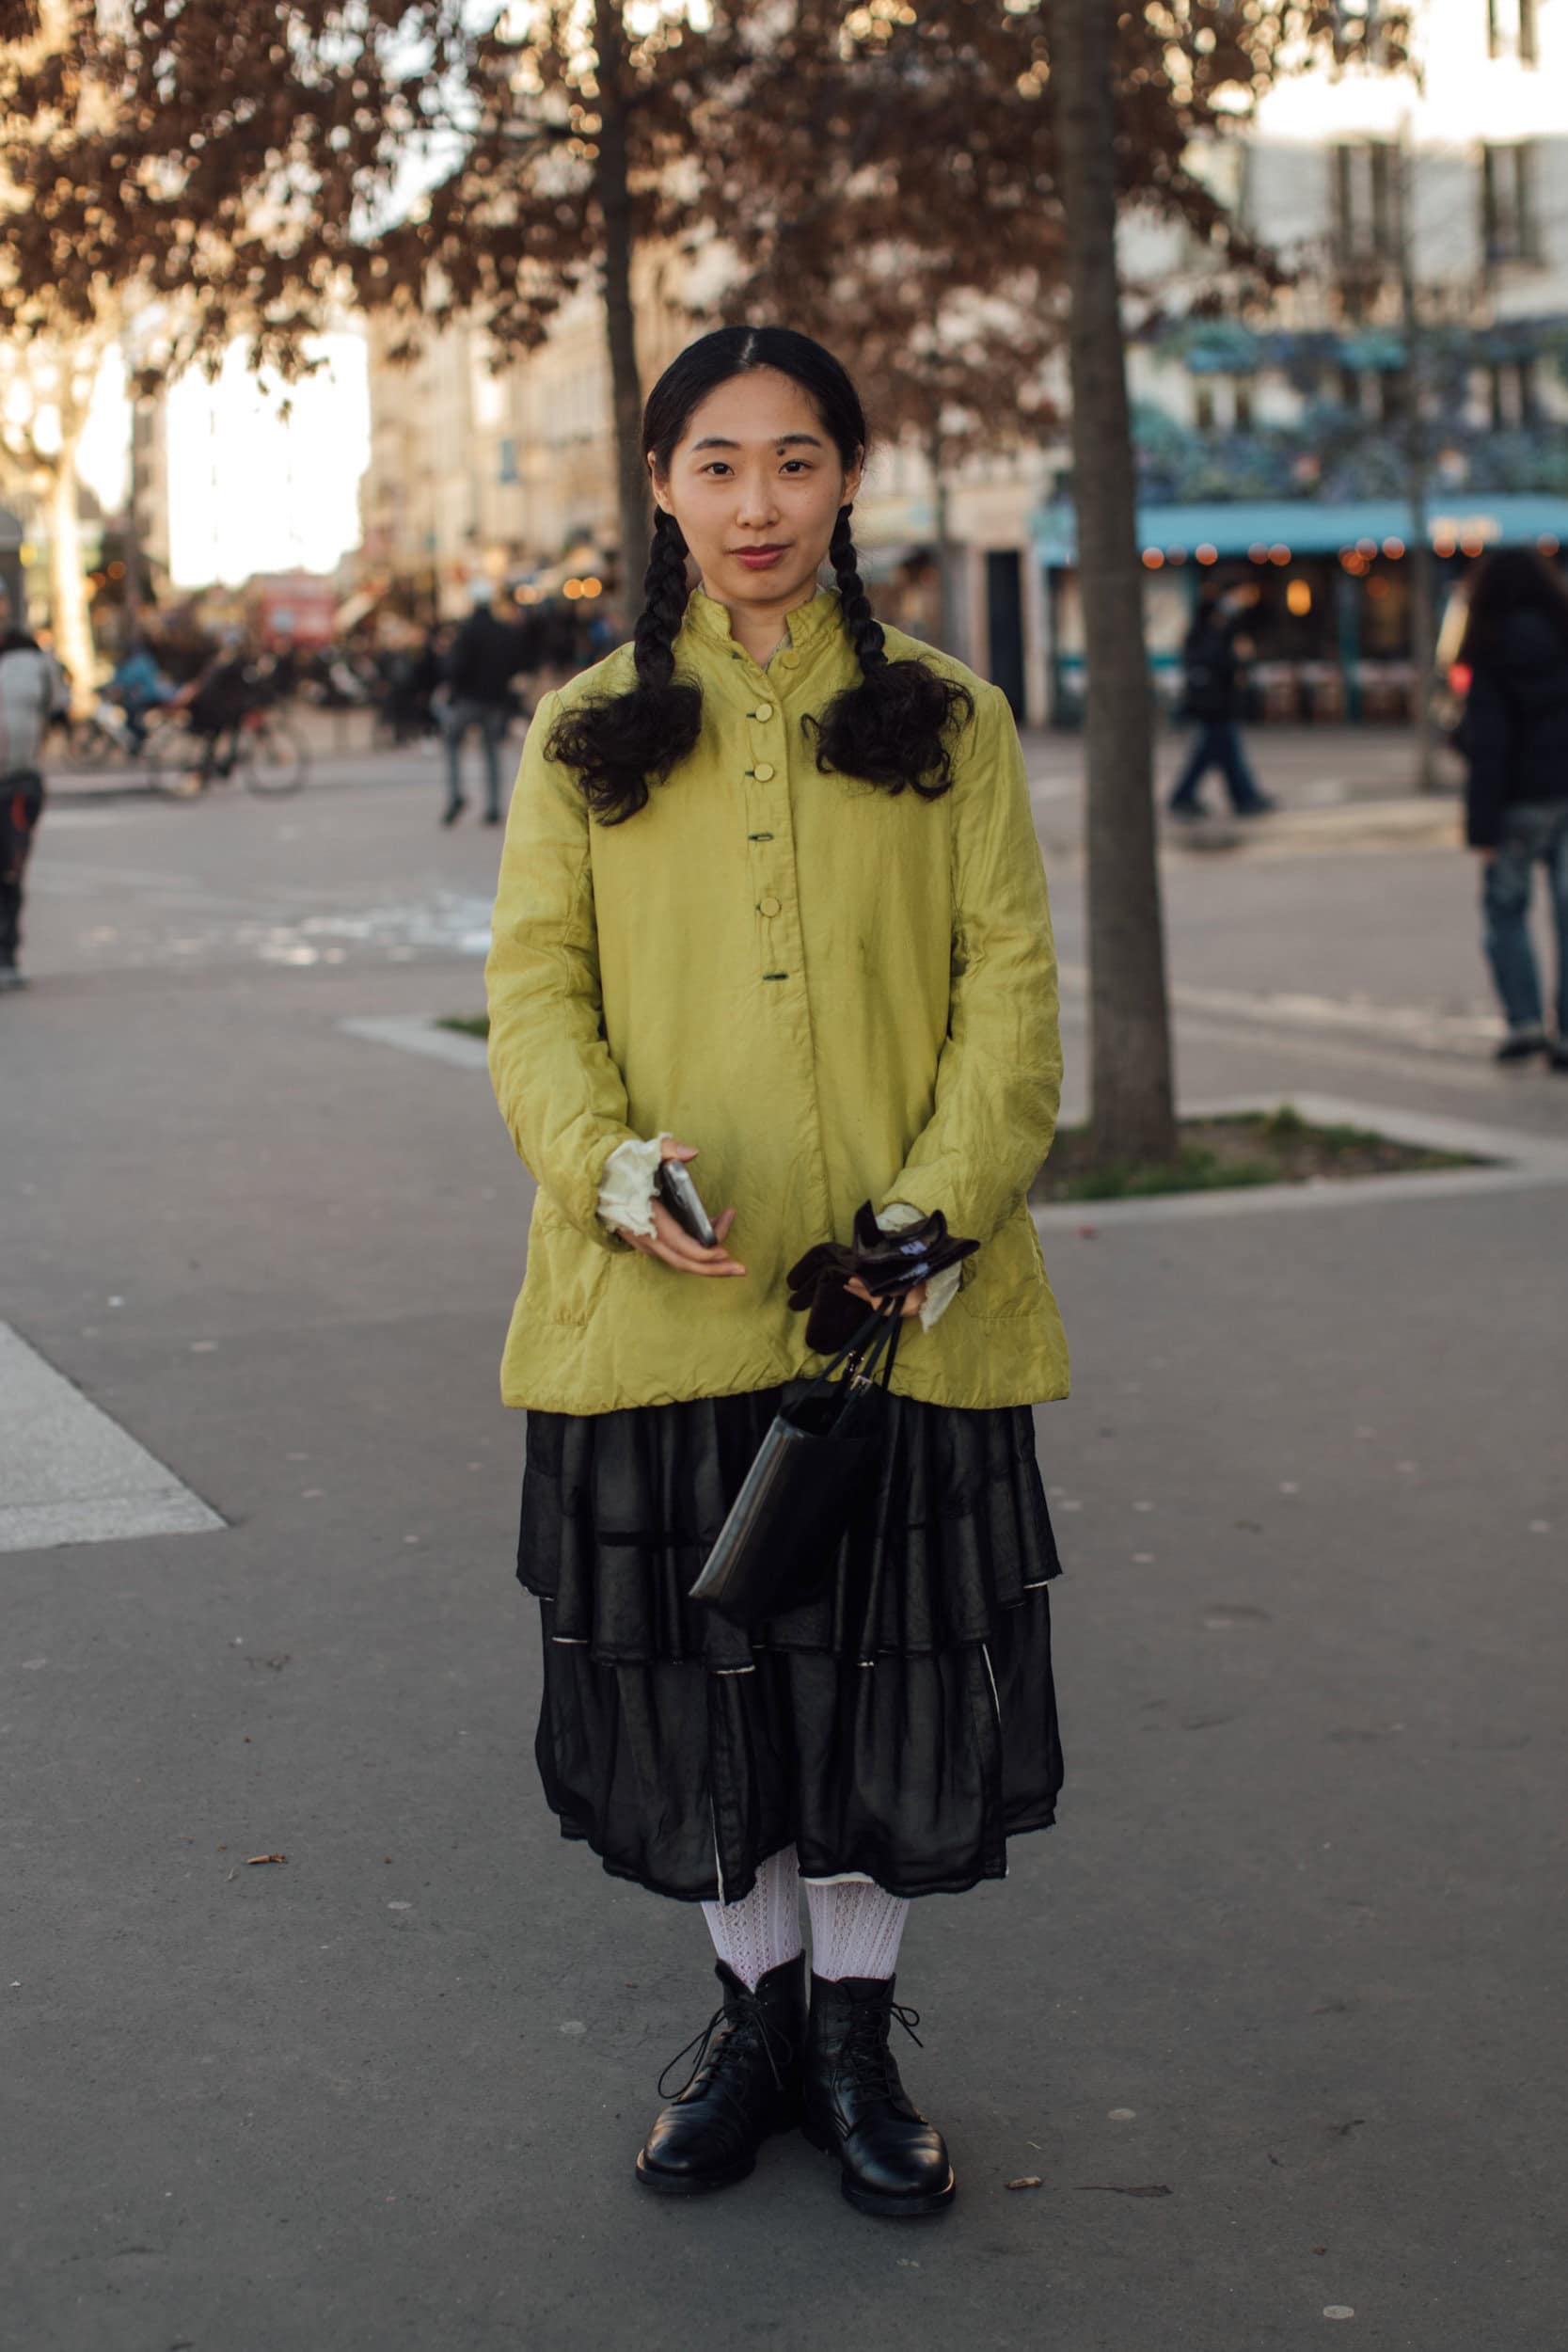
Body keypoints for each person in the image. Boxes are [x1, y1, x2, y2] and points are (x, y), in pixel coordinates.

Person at [485, 326, 1069, 2218]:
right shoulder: (577, 735)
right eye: (717, 463)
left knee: (878, 1684)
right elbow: (532, 1004)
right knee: (713, 1685)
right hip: (657, 1304)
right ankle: (748, 2015)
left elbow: (1010, 1003)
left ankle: (852, 2032)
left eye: (796, 460)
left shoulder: (952, 721)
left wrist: (931, 1210)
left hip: (893, 1320)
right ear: (660, 485)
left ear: (847, 480)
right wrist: (603, 1164)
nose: (758, 502)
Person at [1457, 548, 1568, 1069]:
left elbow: (1489, 744)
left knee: (1506, 912)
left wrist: (1481, 827)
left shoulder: (1489, 644)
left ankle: (1524, 1023)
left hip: (1519, 800)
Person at [1167, 581, 1276, 818]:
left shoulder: (1218, 626)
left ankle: (1242, 796)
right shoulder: (1213, 626)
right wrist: (1238, 658)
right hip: (1213, 703)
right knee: (1214, 752)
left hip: (1217, 702)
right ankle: (1236, 798)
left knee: (1224, 753)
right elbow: (1217, 661)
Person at [0, 594, 62, 990]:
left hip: (15, 783)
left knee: (9, 872)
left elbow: (58, 710)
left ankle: (5, 954)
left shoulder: (33, 660)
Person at [440, 591, 524, 825]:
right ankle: (494, 806)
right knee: (491, 751)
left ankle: (457, 794)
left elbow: (457, 666)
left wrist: (454, 688)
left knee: (452, 741)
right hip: (496, 699)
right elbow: (517, 662)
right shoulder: (503, 631)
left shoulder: (467, 631)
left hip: (469, 698)